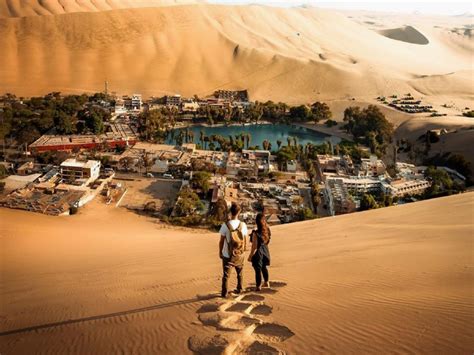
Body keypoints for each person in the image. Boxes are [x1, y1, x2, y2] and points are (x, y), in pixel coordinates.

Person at [219, 203, 248, 298]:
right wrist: (244, 250)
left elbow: (221, 241)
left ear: (230, 212)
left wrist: (220, 252)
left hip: (228, 255)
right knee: (240, 273)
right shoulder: (243, 225)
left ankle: (224, 293)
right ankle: (240, 289)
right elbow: (245, 239)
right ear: (239, 212)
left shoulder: (225, 225)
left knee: (226, 275)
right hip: (239, 254)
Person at [248, 212, 271, 291]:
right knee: (264, 267)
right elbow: (268, 241)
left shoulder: (256, 233)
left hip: (258, 253)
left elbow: (254, 246)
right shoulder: (267, 230)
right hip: (265, 250)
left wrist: (250, 255)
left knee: (258, 270)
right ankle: (266, 282)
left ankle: (258, 286)